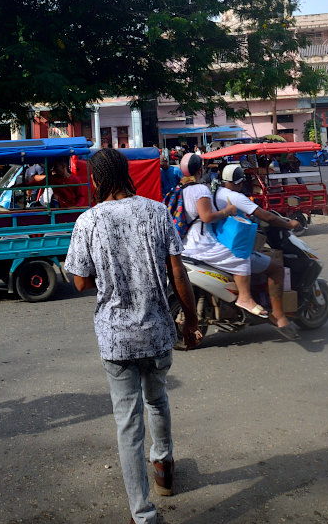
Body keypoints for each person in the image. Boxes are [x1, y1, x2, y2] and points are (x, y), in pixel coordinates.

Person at [64, 148, 198, 523]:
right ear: (126, 174)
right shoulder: (156, 212)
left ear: (96, 180)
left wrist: (107, 275)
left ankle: (143, 514)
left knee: (128, 424)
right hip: (157, 330)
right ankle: (164, 465)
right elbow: (179, 274)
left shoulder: (88, 222)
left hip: (116, 338)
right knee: (157, 399)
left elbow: (78, 281)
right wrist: (190, 320)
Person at [182, 159, 302, 339]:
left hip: (190, 243)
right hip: (206, 243)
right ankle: (269, 311)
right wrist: (289, 224)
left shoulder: (206, 191)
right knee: (255, 260)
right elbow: (266, 216)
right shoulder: (226, 195)